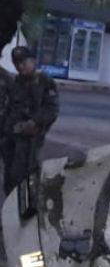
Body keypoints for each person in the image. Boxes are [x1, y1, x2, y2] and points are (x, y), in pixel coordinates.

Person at [2, 45, 58, 195]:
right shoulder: (16, 82)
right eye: (16, 63)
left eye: (23, 62)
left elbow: (51, 109)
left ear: (33, 61)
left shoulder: (44, 81)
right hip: (12, 138)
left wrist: (33, 122)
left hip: (30, 140)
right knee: (10, 178)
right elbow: (10, 108)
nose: (20, 66)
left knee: (24, 179)